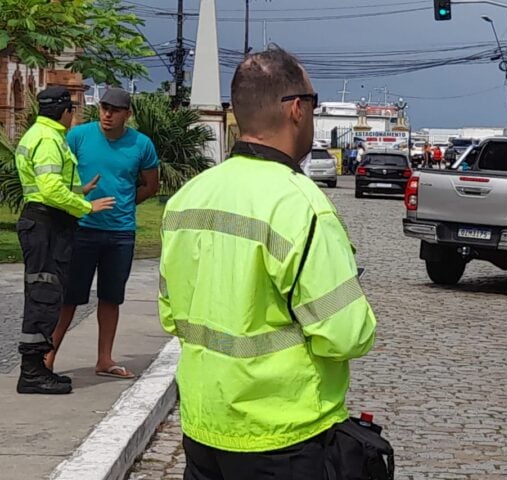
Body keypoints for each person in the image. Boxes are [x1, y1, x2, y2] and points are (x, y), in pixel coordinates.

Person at [158, 46, 377, 479]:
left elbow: (171, 314)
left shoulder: (188, 198)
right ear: (297, 109)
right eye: (314, 104)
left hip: (204, 429)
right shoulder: (301, 207)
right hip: (285, 434)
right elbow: (346, 334)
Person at [45, 88, 160, 380]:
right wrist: (77, 204)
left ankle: (104, 359)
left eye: (115, 110)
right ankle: (48, 356)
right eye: (104, 108)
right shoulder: (78, 137)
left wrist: (126, 201)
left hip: (120, 233)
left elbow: (151, 184)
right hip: (81, 228)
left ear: (127, 114)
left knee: (111, 297)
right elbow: (59, 177)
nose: (108, 114)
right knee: (69, 296)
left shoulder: (141, 144)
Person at [14, 86, 116, 394]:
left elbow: (49, 186)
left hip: (44, 221)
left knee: (45, 292)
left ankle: (36, 368)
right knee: (44, 295)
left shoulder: (38, 134)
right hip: (46, 224)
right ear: (65, 112)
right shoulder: (48, 139)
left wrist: (79, 191)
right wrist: (86, 206)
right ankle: (33, 371)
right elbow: (48, 189)